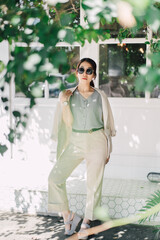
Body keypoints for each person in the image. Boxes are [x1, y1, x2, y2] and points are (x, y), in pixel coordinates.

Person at [48, 58, 116, 239]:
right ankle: (68, 216)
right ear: (76, 72)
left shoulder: (100, 96)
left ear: (93, 75)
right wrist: (63, 102)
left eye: (89, 70)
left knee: (93, 185)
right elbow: (68, 123)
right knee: (55, 178)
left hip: (97, 140)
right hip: (76, 140)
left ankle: (86, 222)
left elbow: (107, 124)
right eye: (81, 70)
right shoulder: (68, 95)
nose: (84, 73)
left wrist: (108, 149)